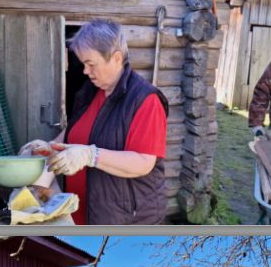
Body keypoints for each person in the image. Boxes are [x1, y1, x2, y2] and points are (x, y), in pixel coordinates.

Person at [22, 19, 169, 225]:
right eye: (83, 64)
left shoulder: (145, 100)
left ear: (116, 58)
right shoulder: (90, 92)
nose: (85, 71)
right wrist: (50, 147)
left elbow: (143, 163)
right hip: (83, 211)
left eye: (91, 64)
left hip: (123, 219)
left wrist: (91, 155)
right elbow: (75, 131)